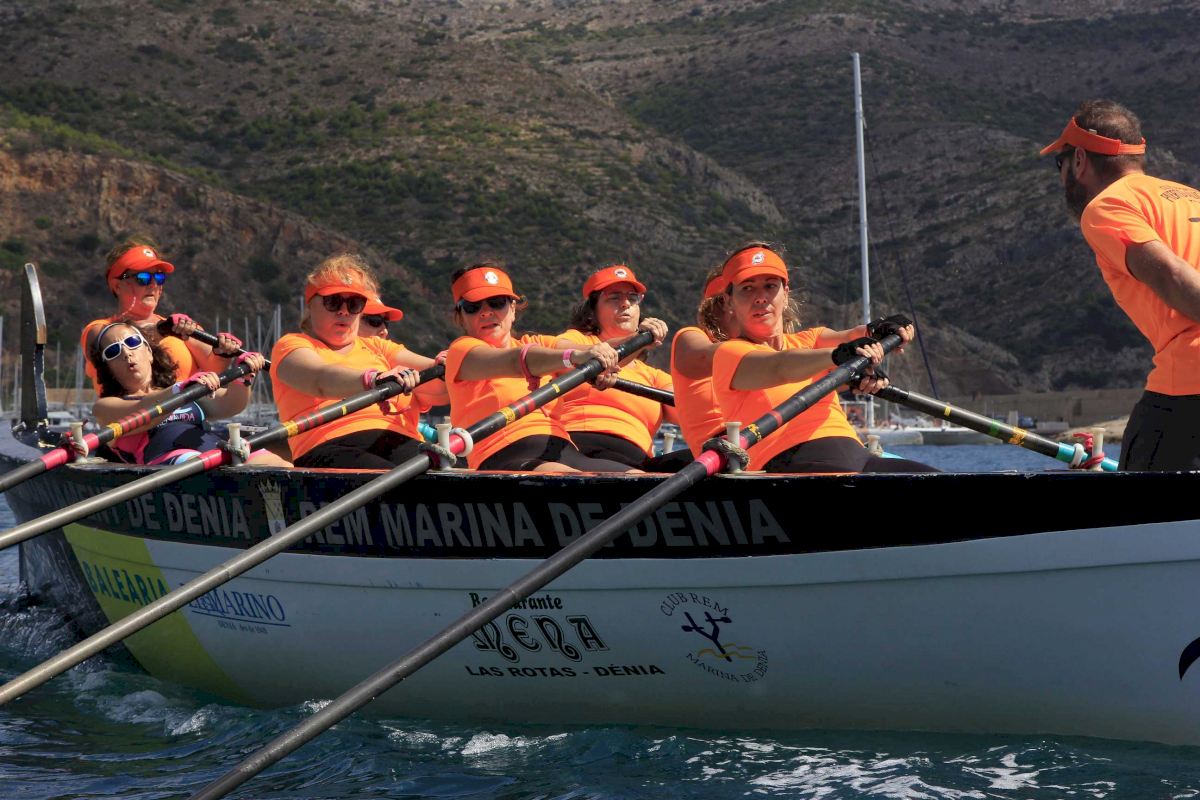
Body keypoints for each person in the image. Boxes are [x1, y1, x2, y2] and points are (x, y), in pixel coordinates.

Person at [1041, 100, 1200, 471]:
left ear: (1079, 160)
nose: (1061, 176)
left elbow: (1171, 276)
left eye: (1060, 164)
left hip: (1188, 387)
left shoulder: (1108, 206)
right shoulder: (1192, 197)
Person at [711, 242, 936, 473]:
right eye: (747, 288)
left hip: (857, 457)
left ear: (785, 294)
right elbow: (780, 367)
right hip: (788, 465)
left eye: (770, 286)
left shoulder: (811, 339)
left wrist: (878, 330)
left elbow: (851, 336)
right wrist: (841, 355)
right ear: (729, 301)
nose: (760, 297)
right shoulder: (729, 353)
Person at [444, 263, 639, 472]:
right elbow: (516, 362)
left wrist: (642, 337)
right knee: (576, 479)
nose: (486, 312)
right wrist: (574, 356)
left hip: (563, 449)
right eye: (473, 307)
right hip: (504, 454)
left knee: (640, 478)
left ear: (512, 309)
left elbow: (599, 351)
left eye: (496, 303)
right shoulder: (461, 351)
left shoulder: (539, 343)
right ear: (460, 317)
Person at [269, 254, 447, 469]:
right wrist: (373, 379)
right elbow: (319, 379)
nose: (344, 311)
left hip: (399, 440)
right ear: (311, 305)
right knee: (402, 479)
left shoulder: (378, 346)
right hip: (330, 445)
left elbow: (438, 383)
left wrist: (449, 367)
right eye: (333, 302)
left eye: (354, 304)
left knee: (449, 476)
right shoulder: (291, 345)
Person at [87, 322, 287, 466]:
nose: (126, 353)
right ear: (107, 368)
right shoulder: (105, 407)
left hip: (213, 447)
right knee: (201, 466)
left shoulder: (186, 389)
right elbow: (142, 410)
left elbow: (230, 404)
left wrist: (243, 378)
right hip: (169, 458)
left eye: (132, 342)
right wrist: (179, 389)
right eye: (113, 351)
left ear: (148, 352)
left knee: (280, 465)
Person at [80, 237, 241, 395]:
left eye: (159, 277)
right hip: (131, 411)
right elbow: (115, 347)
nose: (153, 284)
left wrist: (223, 352)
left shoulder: (177, 326)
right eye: (143, 278)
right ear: (117, 285)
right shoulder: (98, 330)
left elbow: (214, 368)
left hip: (185, 411)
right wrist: (162, 331)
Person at [552, 265, 676, 469]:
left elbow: (690, 410)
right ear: (593, 310)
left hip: (638, 462)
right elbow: (567, 355)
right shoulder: (575, 341)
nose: (625, 303)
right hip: (578, 448)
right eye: (614, 297)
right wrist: (637, 339)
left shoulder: (653, 376)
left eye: (632, 298)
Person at [670, 265, 738, 457]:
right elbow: (706, 356)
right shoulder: (691, 337)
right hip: (722, 452)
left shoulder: (775, 349)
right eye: (726, 301)